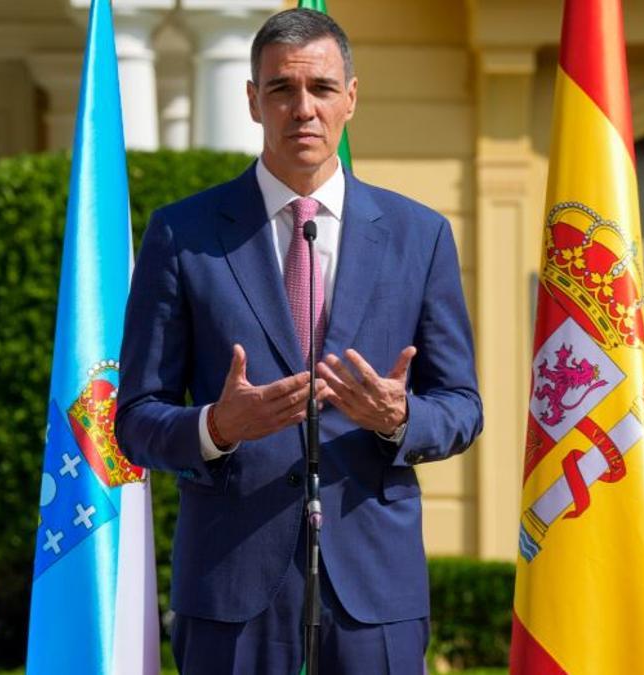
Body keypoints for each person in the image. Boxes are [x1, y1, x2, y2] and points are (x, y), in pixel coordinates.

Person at [116, 8, 482, 673]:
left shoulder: (419, 235)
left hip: (374, 585)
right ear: (253, 101)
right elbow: (136, 418)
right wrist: (216, 426)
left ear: (351, 98)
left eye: (320, 88)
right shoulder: (182, 234)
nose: (303, 108)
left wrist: (401, 419)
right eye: (282, 89)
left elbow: (461, 404)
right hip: (230, 586)